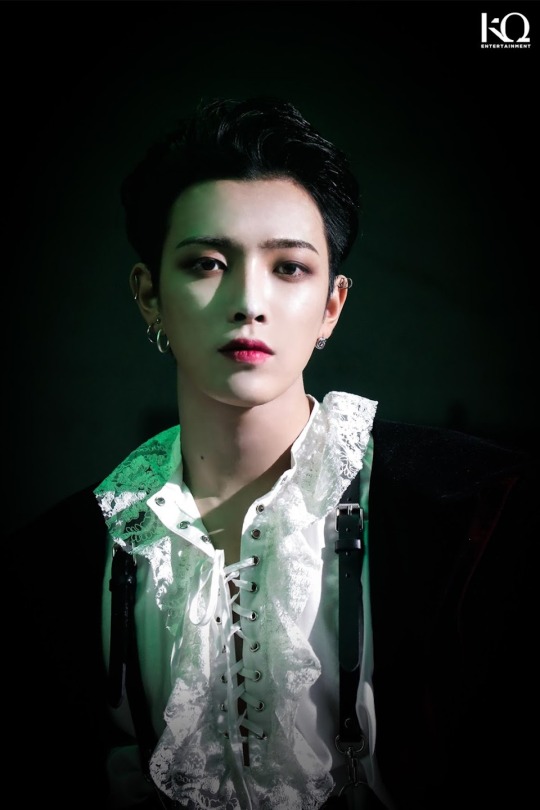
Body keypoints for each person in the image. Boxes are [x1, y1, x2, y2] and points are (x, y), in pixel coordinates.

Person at [6, 97, 534, 810]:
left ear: (331, 306)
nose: (248, 301)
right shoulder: (60, 558)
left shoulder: (472, 514)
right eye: (206, 263)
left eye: (288, 268)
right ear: (148, 296)